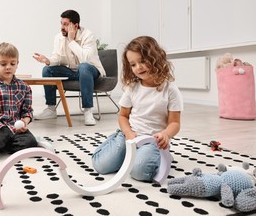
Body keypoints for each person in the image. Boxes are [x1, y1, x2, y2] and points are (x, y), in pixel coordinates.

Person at [91, 36, 183, 182]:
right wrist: (127, 133)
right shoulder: (132, 88)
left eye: (142, 61)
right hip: (129, 135)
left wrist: (165, 134)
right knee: (101, 166)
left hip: (153, 140)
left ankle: (154, 156)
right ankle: (118, 145)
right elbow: (123, 116)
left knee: (140, 173)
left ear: (155, 58)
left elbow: (175, 123)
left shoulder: (170, 90)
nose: (138, 67)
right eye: (133, 64)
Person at [33, 9, 105, 126]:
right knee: (47, 70)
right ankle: (51, 109)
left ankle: (87, 110)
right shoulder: (59, 37)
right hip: (71, 71)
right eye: (61, 23)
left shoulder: (88, 35)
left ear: (75, 26)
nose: (62, 27)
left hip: (91, 71)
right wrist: (47, 60)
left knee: (84, 67)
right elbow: (57, 57)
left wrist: (71, 40)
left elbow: (85, 59)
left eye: (66, 24)